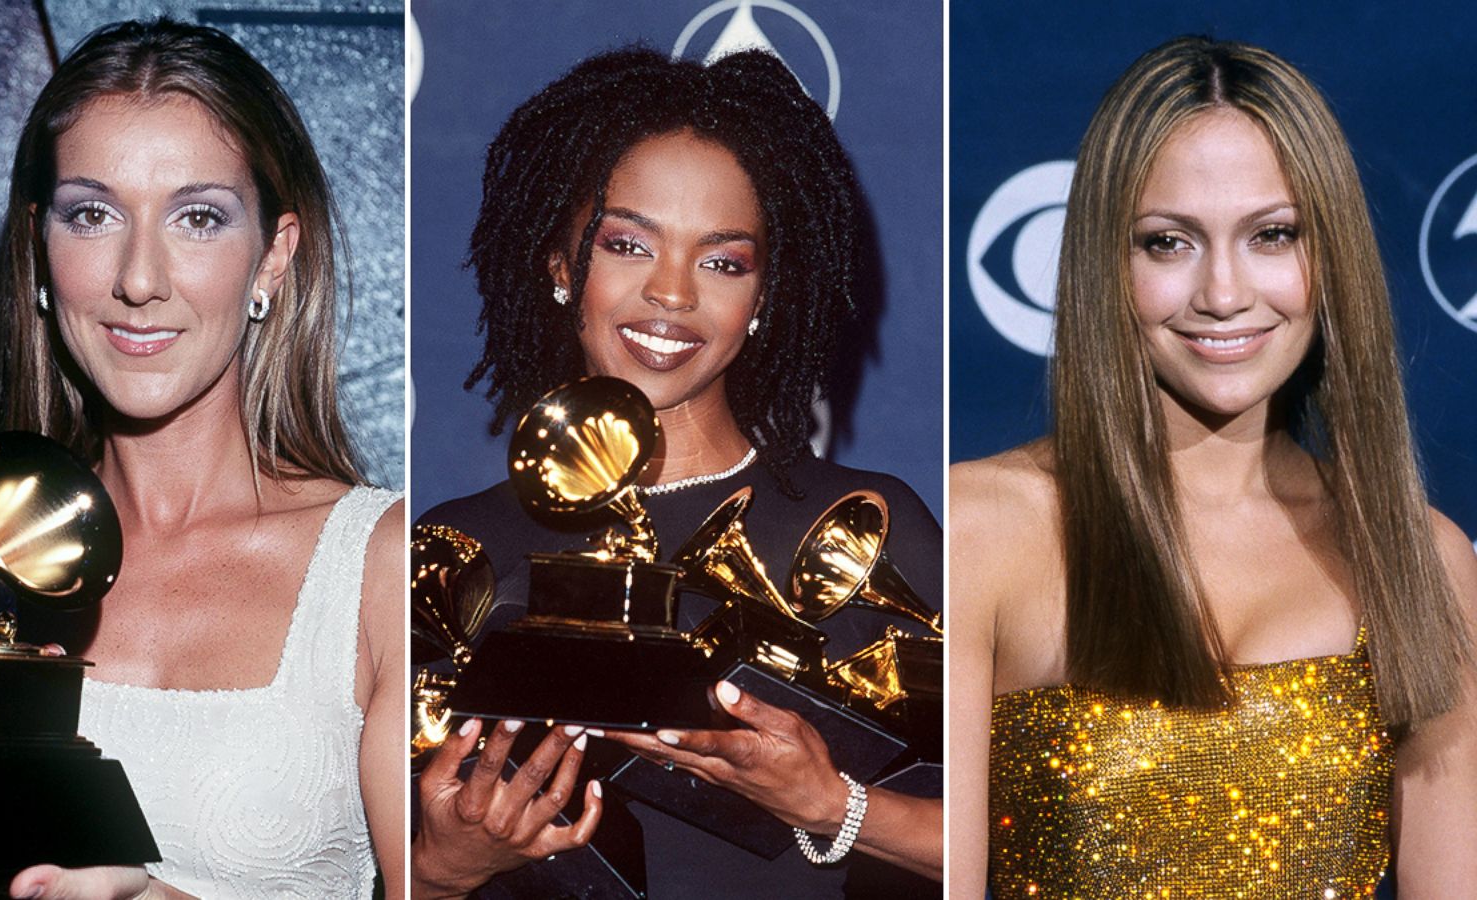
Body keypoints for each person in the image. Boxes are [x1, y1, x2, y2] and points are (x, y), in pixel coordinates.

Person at [0, 19, 404, 899]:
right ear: (41, 247)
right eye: (93, 213)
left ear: (272, 256)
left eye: (198, 217)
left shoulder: (377, 563)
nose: (139, 277)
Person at [950, 36, 1477, 897]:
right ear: (1105, 264)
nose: (1225, 293)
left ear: (1330, 254)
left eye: (1273, 235)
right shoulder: (985, 529)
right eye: (1169, 243)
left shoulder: (1421, 560)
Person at [411, 47, 942, 898]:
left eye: (723, 261)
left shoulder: (869, 526)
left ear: (764, 296)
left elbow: (1010, 845)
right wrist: (440, 871)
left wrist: (830, 804)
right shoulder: (454, 549)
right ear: (559, 265)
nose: (671, 293)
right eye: (628, 244)